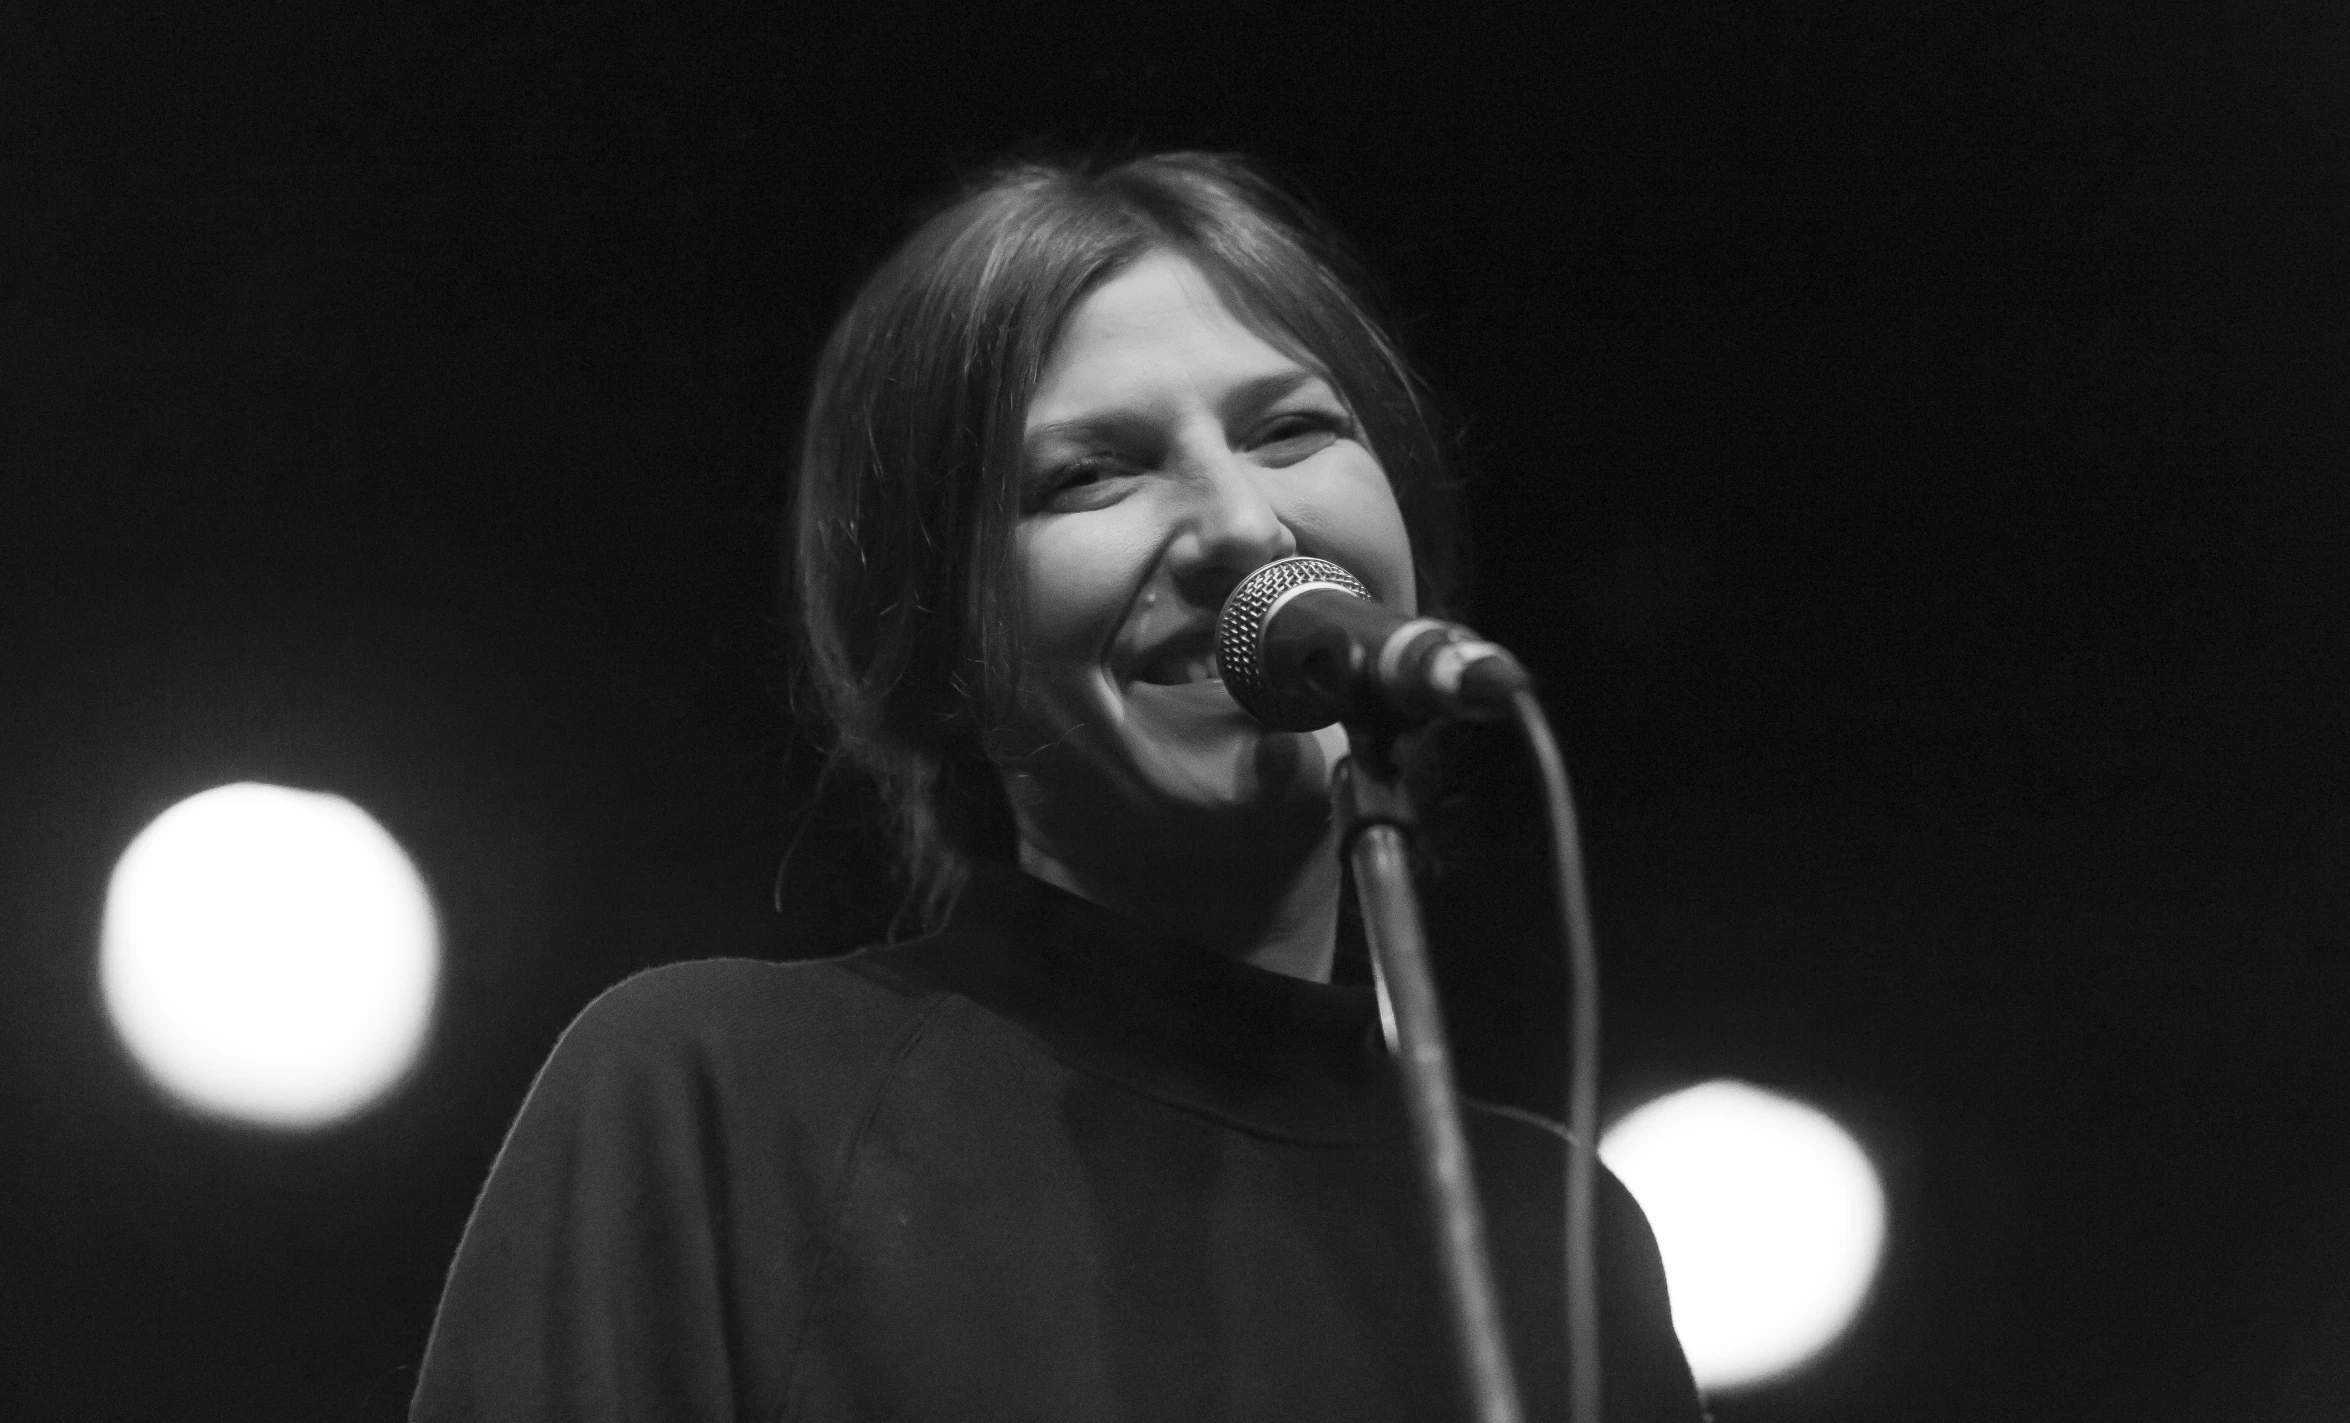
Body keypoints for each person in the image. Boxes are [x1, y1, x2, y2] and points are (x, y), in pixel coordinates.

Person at [409, 153, 1703, 1421]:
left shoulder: (1558, 1236)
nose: (1244, 526)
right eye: (1092, 473)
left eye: (1293, 429)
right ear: (944, 645)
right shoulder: (718, 1095)